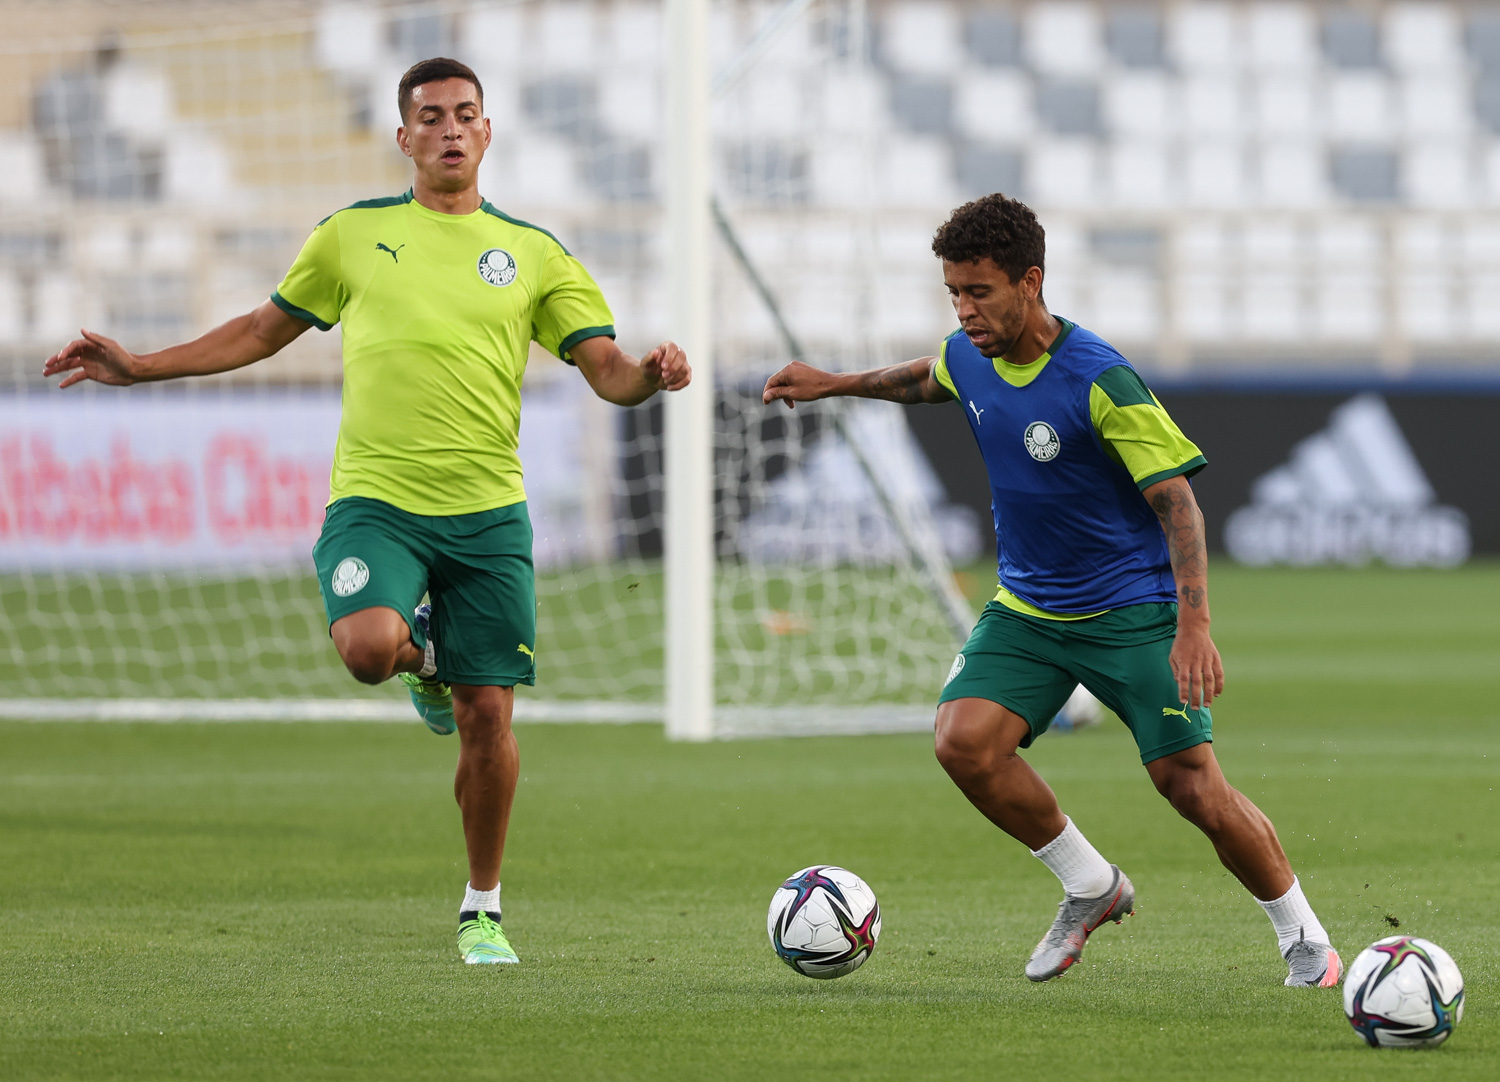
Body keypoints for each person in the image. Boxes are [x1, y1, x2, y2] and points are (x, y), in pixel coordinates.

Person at [43, 57, 691, 966]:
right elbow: (262, 331)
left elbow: (607, 371)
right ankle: (420, 657)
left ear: (490, 131)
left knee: (488, 720)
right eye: (431, 117)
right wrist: (143, 365)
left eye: (466, 114)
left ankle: (482, 907)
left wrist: (650, 381)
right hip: (376, 503)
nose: (450, 130)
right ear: (404, 137)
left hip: (489, 518)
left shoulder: (537, 255)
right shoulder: (351, 236)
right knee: (365, 650)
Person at [761, 193, 1339, 988]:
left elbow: (1179, 505)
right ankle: (1090, 885)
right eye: (954, 294)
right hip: (1029, 610)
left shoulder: (1100, 379)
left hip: (1131, 613)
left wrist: (1194, 625)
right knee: (962, 743)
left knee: (1191, 787)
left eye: (981, 292)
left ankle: (1303, 933)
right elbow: (927, 379)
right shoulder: (969, 352)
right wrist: (834, 384)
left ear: (1030, 281)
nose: (965, 311)